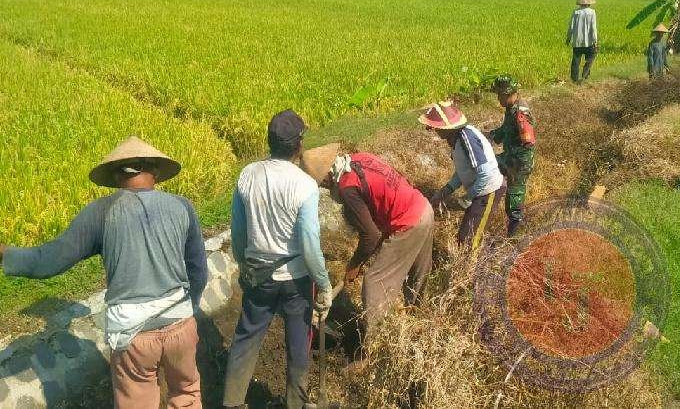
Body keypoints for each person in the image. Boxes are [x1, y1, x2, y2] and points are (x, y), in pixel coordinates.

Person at [0, 136, 207, 409]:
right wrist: (187, 311)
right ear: (155, 171)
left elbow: (47, 261)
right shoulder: (182, 206)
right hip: (181, 326)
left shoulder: (102, 212)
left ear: (116, 175)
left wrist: (4, 252)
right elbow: (198, 270)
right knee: (187, 395)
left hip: (134, 336)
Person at [224, 109, 333, 409]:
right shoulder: (305, 185)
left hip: (259, 275)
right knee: (298, 342)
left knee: (246, 337)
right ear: (299, 145)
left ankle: (232, 401)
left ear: (269, 142)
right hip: (295, 280)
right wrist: (323, 284)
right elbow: (309, 243)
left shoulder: (247, 175)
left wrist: (243, 264)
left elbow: (238, 231)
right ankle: (295, 403)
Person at [300, 143, 434, 335]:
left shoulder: (347, 188)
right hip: (423, 207)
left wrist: (355, 264)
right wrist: (362, 258)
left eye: (321, 183)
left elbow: (371, 236)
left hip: (408, 222)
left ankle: (375, 342)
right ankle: (419, 327)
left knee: (374, 282)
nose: (324, 187)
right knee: (417, 275)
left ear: (328, 175)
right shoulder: (359, 158)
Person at [419, 101, 505, 258]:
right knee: (465, 237)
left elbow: (486, 174)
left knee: (469, 241)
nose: (436, 131)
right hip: (480, 192)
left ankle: (476, 268)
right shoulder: (456, 139)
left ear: (447, 127)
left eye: (437, 128)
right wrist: (445, 191)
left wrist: (467, 198)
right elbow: (463, 171)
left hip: (488, 191)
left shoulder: (467, 138)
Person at [488, 76, 536, 236]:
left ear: (509, 94)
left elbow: (528, 142)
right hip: (511, 157)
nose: (498, 99)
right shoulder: (511, 108)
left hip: (519, 163)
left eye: (500, 95)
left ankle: (514, 234)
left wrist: (512, 163)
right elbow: (505, 129)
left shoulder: (520, 113)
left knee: (514, 197)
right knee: (488, 165)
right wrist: (491, 136)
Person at [567, 0, 598, 84]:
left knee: (576, 61)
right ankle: (585, 75)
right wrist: (595, 40)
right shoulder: (592, 12)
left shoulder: (576, 12)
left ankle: (574, 79)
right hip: (589, 42)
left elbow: (571, 27)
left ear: (580, 3)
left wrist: (568, 38)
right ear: (589, 3)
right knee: (590, 58)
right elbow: (593, 28)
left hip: (577, 41)